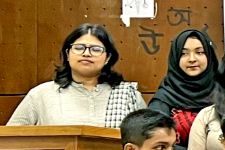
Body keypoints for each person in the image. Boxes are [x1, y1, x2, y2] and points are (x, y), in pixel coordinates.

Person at [8, 23, 144, 128]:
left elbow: (147, 140)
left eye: (96, 49)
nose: (86, 53)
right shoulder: (41, 95)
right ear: (67, 54)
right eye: (79, 48)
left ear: (107, 57)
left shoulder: (128, 96)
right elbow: (12, 140)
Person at [148, 28, 220, 150]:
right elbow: (156, 141)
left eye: (199, 52)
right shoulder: (164, 97)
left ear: (209, 56)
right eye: (184, 54)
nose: (192, 59)